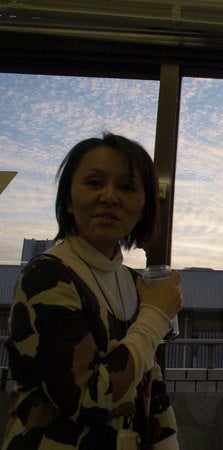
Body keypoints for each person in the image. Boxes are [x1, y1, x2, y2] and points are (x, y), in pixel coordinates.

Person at [2, 133, 183, 449]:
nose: (110, 197)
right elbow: (87, 399)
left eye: (127, 187)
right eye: (94, 183)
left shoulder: (132, 281)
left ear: (144, 207)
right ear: (68, 200)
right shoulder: (47, 276)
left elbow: (150, 388)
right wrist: (156, 315)